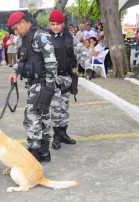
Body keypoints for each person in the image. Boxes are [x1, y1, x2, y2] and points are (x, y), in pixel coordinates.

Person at [7, 11, 58, 162]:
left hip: (42, 83)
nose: (15, 32)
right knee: (41, 117)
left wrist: (49, 86)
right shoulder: (24, 38)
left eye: (16, 28)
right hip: (32, 83)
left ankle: (34, 152)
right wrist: (15, 72)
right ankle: (44, 152)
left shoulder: (40, 36)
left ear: (23, 22)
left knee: (31, 117)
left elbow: (51, 63)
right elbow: (22, 59)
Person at [48, 10, 90, 150]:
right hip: (51, 79)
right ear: (49, 23)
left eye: (58, 24)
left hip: (66, 78)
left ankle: (63, 133)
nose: (55, 27)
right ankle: (57, 136)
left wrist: (87, 67)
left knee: (64, 108)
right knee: (55, 108)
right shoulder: (44, 38)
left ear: (63, 24)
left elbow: (82, 52)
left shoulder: (70, 37)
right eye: (52, 24)